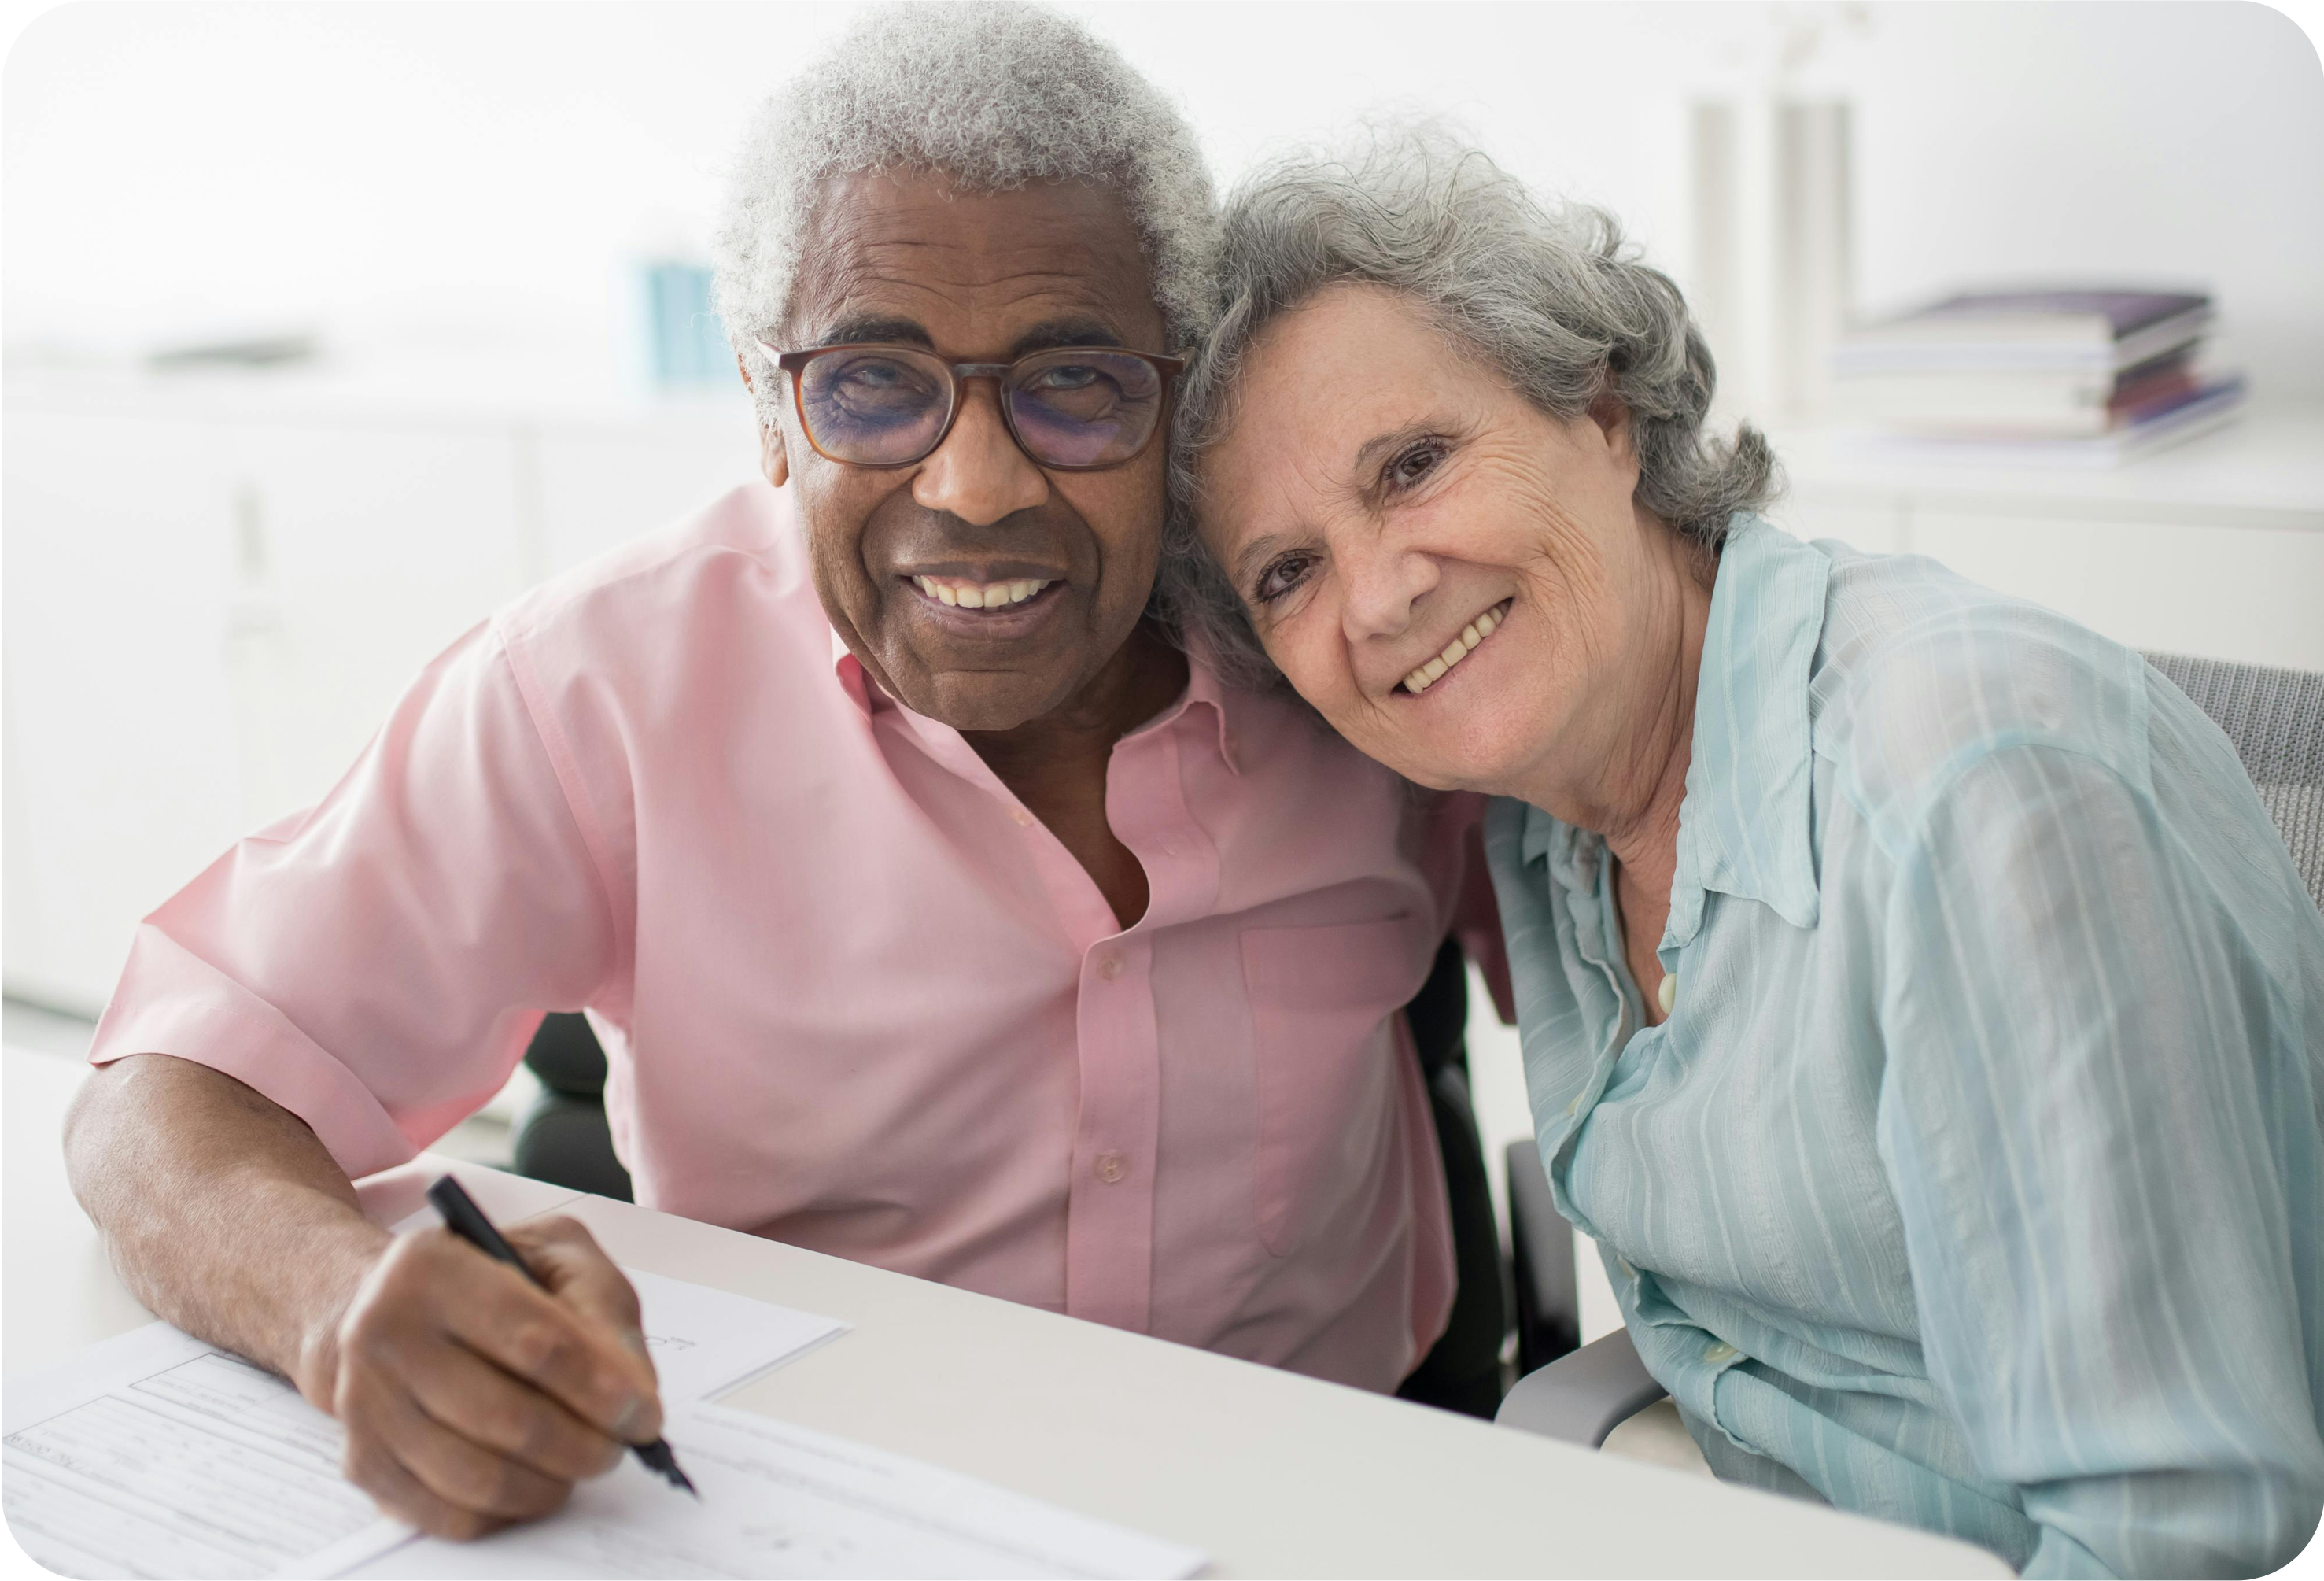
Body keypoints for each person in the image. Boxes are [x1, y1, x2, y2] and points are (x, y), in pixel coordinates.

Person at [64, 12, 1493, 1541]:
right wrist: (335, 1303)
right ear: (765, 409)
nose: (977, 485)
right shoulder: (598, 687)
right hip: (812, 1522)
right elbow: (167, 1088)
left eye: (1075, 380)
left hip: (1340, 1500)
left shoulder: (1353, 632)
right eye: (872, 385)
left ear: (1179, 396)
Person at [1171, 127, 2324, 1580]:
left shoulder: (1970, 793)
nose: (1383, 596)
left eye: (1411, 465)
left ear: (1598, 409)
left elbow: (2172, 1530)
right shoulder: (1549, 802)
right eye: (1288, 573)